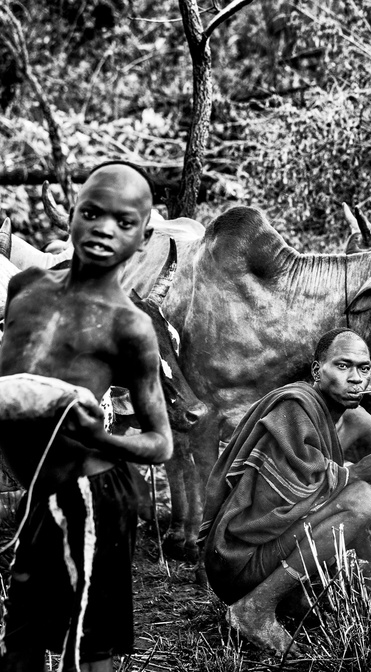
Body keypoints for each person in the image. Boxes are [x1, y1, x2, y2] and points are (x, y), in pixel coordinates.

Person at [0, 162, 173, 672]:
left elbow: (160, 442)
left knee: (88, 648)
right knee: (20, 642)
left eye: (123, 222)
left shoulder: (130, 326)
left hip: (92, 497)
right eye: (92, 213)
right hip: (35, 493)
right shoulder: (25, 289)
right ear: (71, 214)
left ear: (142, 238)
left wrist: (104, 440)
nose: (103, 229)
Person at [198, 327, 371, 654]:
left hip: (270, 556)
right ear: (316, 370)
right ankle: (255, 609)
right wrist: (354, 473)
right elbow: (266, 513)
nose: (355, 378)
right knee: (364, 497)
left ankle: (299, 594)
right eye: (343, 366)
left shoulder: (357, 419)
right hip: (238, 560)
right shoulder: (294, 406)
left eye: (363, 369)